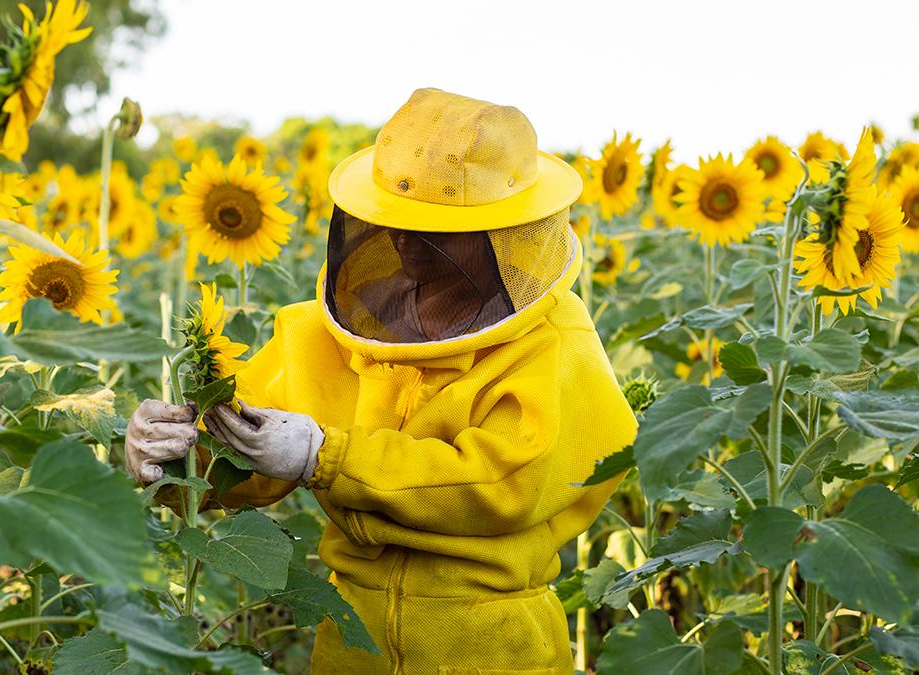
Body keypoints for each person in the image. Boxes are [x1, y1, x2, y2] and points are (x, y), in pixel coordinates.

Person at [125, 87, 638, 673]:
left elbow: (501, 484)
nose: (402, 241)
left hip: (490, 643)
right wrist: (172, 456)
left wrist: (328, 456)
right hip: (353, 640)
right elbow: (242, 451)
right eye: (394, 222)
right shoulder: (343, 327)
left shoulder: (553, 341)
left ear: (505, 230)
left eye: (434, 231)